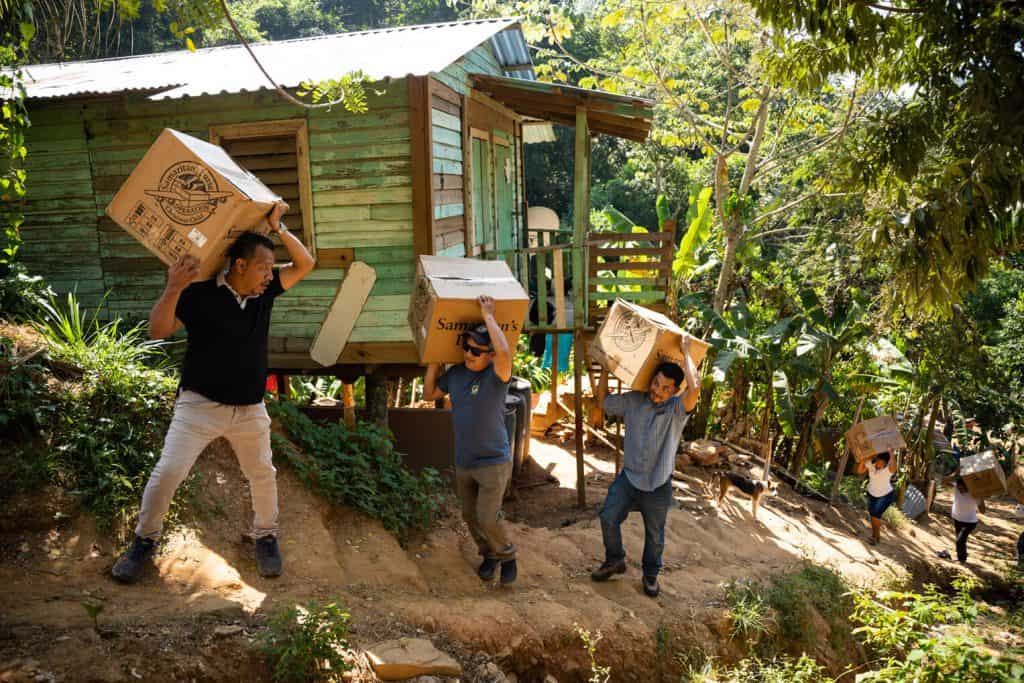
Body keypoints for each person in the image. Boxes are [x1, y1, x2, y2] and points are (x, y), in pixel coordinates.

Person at [111, 201, 314, 583]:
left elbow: (305, 264)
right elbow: (158, 329)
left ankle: (266, 536)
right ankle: (143, 542)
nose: (269, 275)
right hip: (199, 406)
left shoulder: (264, 295)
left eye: (272, 268)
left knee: (263, 474)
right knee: (169, 471)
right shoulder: (199, 293)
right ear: (239, 265)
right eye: (263, 267)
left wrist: (279, 226)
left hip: (250, 408)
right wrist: (173, 286)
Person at [590, 336, 701, 598]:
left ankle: (650, 576)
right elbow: (602, 401)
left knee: (655, 535)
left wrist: (686, 352)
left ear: (674, 392)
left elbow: (694, 388)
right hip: (629, 479)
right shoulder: (634, 400)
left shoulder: (676, 410)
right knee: (608, 518)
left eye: (665, 388)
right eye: (655, 383)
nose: (657, 391)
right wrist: (607, 369)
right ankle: (615, 560)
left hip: (658, 483)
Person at [422, 295, 517, 586]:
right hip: (465, 460)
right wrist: (434, 364)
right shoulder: (457, 375)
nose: (469, 352)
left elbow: (505, 354)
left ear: (489, 354)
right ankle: (488, 554)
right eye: (466, 346)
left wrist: (488, 315)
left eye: (476, 349)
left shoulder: (497, 375)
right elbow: (429, 395)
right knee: (469, 516)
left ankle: (507, 554)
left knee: (488, 516)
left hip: (493, 461)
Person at [942, 475, 985, 564]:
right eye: (959, 488)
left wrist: (982, 497)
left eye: (962, 489)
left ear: (968, 487)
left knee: (960, 540)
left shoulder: (975, 494)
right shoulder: (956, 487)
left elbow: (983, 511)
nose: (960, 490)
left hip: (970, 522)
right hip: (957, 519)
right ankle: (961, 558)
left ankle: (962, 560)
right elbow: (943, 481)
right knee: (960, 540)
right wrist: (955, 473)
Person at [856, 451, 897, 546]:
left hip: (885, 495)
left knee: (875, 515)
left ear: (886, 464)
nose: (878, 464)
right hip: (871, 493)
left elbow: (894, 468)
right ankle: (876, 536)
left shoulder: (888, 470)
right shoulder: (871, 465)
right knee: (872, 515)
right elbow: (859, 471)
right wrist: (864, 459)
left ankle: (875, 537)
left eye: (881, 463)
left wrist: (891, 453)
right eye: (878, 461)